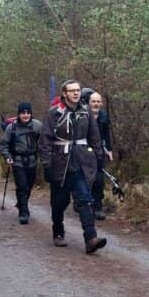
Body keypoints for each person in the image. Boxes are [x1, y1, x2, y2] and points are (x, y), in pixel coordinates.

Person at [39, 79, 107, 254]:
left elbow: (95, 136)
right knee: (59, 202)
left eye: (78, 90)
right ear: (64, 93)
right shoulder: (54, 113)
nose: (76, 93)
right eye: (72, 91)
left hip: (82, 163)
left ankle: (91, 238)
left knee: (84, 199)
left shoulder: (86, 112)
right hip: (60, 164)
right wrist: (46, 164)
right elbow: (45, 140)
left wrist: (99, 157)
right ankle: (58, 232)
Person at [0, 102, 42, 224]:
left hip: (32, 161)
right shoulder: (11, 128)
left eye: (28, 112)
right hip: (17, 161)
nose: (25, 115)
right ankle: (23, 211)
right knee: (22, 186)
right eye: (23, 113)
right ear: (18, 114)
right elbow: (4, 144)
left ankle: (21, 202)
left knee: (28, 186)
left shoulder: (37, 126)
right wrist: (7, 156)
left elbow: (44, 141)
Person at [87, 91, 113, 221]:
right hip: (84, 152)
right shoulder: (83, 116)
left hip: (99, 152)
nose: (96, 104)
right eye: (93, 101)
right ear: (89, 103)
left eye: (98, 101)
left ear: (101, 103)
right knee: (85, 179)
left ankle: (97, 206)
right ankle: (84, 203)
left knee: (99, 180)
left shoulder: (104, 116)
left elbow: (107, 135)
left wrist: (109, 150)